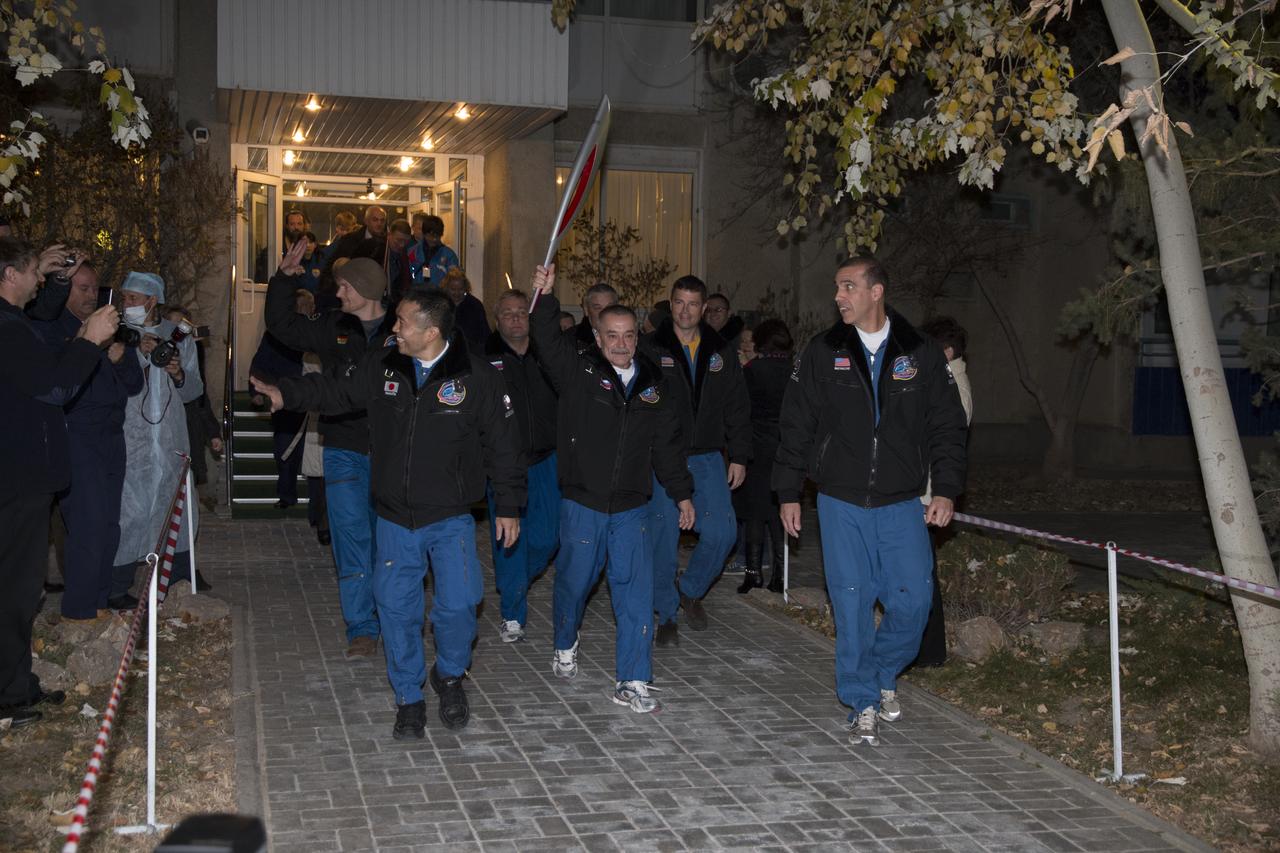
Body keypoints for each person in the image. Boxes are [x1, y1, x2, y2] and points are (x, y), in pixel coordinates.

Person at [251, 289, 525, 738]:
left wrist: (510, 505)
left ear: (431, 332)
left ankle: (450, 674)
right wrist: (286, 394)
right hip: (395, 518)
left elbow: (504, 445)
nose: (393, 329)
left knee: (459, 606)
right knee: (397, 611)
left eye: (402, 322)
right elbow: (336, 389)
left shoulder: (476, 376)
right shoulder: (384, 366)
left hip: (451, 516)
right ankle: (409, 696)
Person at [774, 257, 967, 746]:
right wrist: (788, 491)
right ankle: (861, 700)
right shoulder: (823, 351)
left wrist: (945, 487)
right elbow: (795, 425)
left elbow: (946, 426)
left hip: (902, 503)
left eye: (849, 286)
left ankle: (881, 671)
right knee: (852, 602)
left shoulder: (919, 352)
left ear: (876, 291)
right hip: (839, 502)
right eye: (837, 287)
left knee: (915, 603)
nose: (839, 296)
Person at [528, 264, 694, 713]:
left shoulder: (651, 387)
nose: (620, 344)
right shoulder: (578, 372)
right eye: (611, 335)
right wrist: (544, 295)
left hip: (630, 508)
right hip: (582, 502)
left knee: (634, 592)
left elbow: (667, 446)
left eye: (627, 336)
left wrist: (682, 493)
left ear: (636, 338)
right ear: (597, 338)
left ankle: (634, 679)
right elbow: (544, 340)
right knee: (575, 583)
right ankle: (565, 641)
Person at [0, 237, 118, 727]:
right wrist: (90, 341)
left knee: (22, 587)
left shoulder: (14, 321)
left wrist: (58, 277)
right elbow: (55, 385)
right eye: (33, 271)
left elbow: (42, 318)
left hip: (22, 475)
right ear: (9, 275)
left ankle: (17, 683)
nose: (40, 281)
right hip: (16, 478)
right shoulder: (6, 329)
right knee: (14, 588)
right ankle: (9, 695)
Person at [264, 240, 394, 659]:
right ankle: (361, 626)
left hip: (394, 452)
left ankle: (392, 616)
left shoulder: (404, 328)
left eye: (345, 287)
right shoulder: (331, 325)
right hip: (343, 447)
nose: (338, 293)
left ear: (366, 289)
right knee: (350, 537)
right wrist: (284, 279)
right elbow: (282, 326)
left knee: (389, 541)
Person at [642, 275, 751, 647]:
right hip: (662, 457)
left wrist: (738, 454)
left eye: (693, 304)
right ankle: (667, 613)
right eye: (678, 303)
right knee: (663, 537)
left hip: (707, 457)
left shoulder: (721, 351)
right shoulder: (651, 349)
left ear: (704, 308)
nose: (685, 311)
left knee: (723, 532)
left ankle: (689, 590)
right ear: (669, 304)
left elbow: (737, 406)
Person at [34, 261, 144, 617]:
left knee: (109, 527)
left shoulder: (106, 328)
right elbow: (57, 386)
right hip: (78, 436)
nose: (89, 296)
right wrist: (88, 346)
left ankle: (98, 604)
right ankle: (79, 612)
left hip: (113, 436)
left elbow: (133, 385)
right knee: (87, 526)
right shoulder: (53, 330)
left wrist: (119, 356)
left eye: (94, 288)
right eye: (81, 288)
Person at [112, 272, 209, 597]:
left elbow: (194, 390)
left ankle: (178, 582)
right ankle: (118, 587)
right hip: (129, 440)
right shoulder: (117, 334)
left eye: (133, 298)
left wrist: (178, 372)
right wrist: (134, 350)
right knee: (129, 511)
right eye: (124, 297)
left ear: (153, 300)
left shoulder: (177, 337)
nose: (127, 304)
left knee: (175, 508)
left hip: (170, 442)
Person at [485, 289, 560, 643]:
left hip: (547, 459)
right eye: (508, 313)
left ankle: (513, 584)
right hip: (503, 464)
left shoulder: (548, 356)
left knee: (548, 538)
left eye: (521, 312)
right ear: (496, 319)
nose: (516, 318)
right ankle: (513, 612)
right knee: (510, 541)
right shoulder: (483, 358)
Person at [913, 315, 974, 668]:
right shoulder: (945, 380)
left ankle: (930, 651)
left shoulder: (955, 386)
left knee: (923, 575)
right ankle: (926, 649)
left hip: (930, 495)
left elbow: (945, 440)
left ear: (946, 351)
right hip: (925, 493)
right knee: (920, 571)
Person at [732, 319, 792, 595]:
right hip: (785, 450)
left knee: (755, 513)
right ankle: (780, 575)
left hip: (756, 448)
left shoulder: (752, 370)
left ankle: (753, 572)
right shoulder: (796, 371)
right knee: (781, 511)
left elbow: (740, 410)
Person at [248, 296, 305, 510]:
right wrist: (256, 390)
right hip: (283, 399)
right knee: (284, 448)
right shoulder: (276, 335)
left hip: (314, 399)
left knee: (309, 451)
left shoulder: (318, 333)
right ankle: (287, 495)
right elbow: (260, 363)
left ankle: (320, 512)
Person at [440, 268, 490, 353]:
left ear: (466, 288)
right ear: (446, 288)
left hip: (471, 353)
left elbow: (484, 335)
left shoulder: (475, 306)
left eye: (460, 289)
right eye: (453, 289)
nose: (457, 293)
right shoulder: (439, 305)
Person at [405, 214, 460, 287]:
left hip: (440, 295)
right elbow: (407, 275)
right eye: (431, 236)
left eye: (437, 236)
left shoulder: (449, 255)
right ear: (424, 233)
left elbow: (454, 280)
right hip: (417, 294)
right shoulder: (413, 252)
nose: (434, 239)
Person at [573, 282, 618, 353]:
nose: (604, 312)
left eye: (609, 308)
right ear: (586, 310)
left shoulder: (632, 338)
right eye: (598, 308)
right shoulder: (570, 341)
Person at [384, 218, 413, 307]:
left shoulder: (409, 253)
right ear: (389, 235)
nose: (402, 245)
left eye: (406, 241)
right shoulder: (378, 252)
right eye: (399, 240)